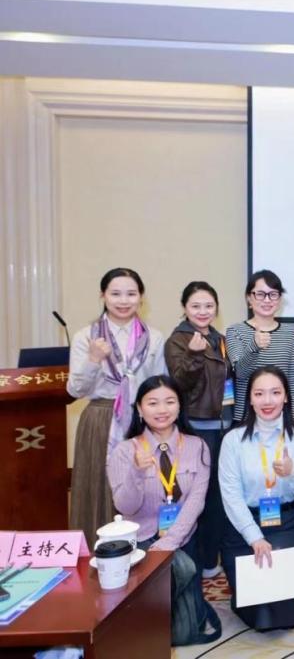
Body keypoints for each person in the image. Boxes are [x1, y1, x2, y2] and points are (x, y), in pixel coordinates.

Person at [106, 375, 221, 645]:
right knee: (147, 630)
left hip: (181, 540)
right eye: (153, 403)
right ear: (139, 409)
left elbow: (196, 502)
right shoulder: (124, 451)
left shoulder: (197, 446)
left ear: (180, 407)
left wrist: (168, 543)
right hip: (141, 542)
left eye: (170, 401)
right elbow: (125, 506)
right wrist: (137, 472)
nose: (162, 409)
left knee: (183, 634)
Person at [68, 267, 166, 547]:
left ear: (141, 297)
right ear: (103, 295)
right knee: (99, 489)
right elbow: (75, 390)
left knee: (141, 485)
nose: (124, 301)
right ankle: (97, 557)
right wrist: (93, 360)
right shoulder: (86, 337)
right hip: (100, 420)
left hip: (140, 420)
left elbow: (158, 385)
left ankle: (142, 555)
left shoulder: (154, 337)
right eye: (115, 294)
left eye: (131, 294)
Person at [218, 366, 294, 631]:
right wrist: (254, 537)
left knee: (281, 618)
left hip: (287, 523)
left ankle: (276, 600)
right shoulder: (233, 440)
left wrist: (293, 472)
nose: (267, 401)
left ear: (286, 396)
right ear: (250, 399)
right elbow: (231, 496)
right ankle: (248, 599)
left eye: (275, 392)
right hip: (242, 526)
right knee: (261, 620)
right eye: (259, 394)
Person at [164, 281, 232, 578]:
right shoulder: (178, 341)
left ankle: (211, 556)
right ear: (184, 308)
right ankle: (196, 559)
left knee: (219, 492)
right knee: (197, 493)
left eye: (209, 306)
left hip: (224, 425)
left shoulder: (220, 338)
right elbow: (179, 384)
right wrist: (193, 355)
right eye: (195, 306)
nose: (203, 311)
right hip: (197, 426)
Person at [226, 270, 294, 424]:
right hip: (246, 417)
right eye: (260, 294)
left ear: (280, 299)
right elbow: (240, 372)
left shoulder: (291, 334)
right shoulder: (235, 331)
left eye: (273, 294)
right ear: (249, 298)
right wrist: (254, 346)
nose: (267, 300)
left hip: (282, 417)